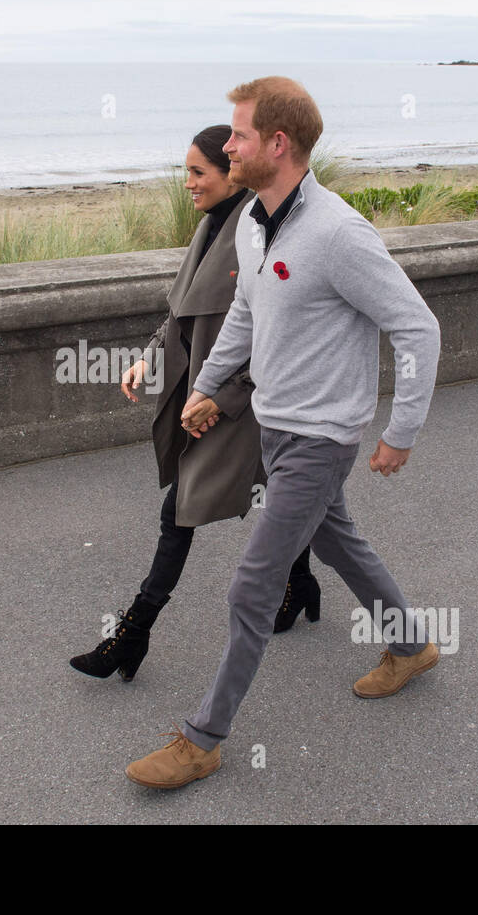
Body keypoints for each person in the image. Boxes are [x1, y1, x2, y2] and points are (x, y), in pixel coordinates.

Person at [125, 77, 443, 789]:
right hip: (275, 427)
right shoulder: (255, 220)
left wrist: (402, 428)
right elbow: (245, 310)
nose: (227, 144)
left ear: (278, 143)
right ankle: (413, 644)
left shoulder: (337, 233)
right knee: (340, 542)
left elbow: (417, 325)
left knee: (252, 584)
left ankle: (202, 738)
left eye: (237, 135)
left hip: (323, 437)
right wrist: (207, 386)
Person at [69, 125, 319, 683]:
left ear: (231, 172)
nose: (187, 184)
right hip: (202, 394)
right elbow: (183, 312)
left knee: (180, 511)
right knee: (280, 496)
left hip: (242, 403)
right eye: (185, 172)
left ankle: (131, 635)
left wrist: (222, 399)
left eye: (197, 172)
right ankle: (301, 583)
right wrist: (149, 356)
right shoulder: (211, 227)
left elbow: (276, 332)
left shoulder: (260, 234)